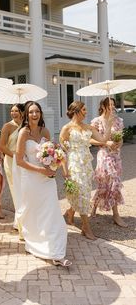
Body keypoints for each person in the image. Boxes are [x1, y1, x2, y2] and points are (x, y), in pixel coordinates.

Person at [14, 101, 71, 266]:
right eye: (31, 112)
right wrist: (40, 170)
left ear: (40, 114)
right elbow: (19, 161)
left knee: (51, 211)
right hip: (31, 178)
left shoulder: (45, 131)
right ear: (26, 115)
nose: (34, 114)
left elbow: (52, 152)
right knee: (35, 212)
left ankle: (55, 250)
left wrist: (53, 164)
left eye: (37, 111)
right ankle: (35, 242)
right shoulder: (23, 133)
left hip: (47, 179)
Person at [59, 101, 114, 240]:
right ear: (76, 111)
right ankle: (86, 227)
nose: (86, 112)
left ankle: (70, 213)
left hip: (86, 165)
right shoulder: (67, 128)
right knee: (81, 193)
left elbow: (103, 139)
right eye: (83, 109)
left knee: (83, 193)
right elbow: (62, 152)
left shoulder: (88, 127)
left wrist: (109, 124)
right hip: (74, 164)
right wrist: (64, 169)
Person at [90, 97, 127, 227]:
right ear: (103, 106)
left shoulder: (118, 120)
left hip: (116, 156)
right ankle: (95, 207)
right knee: (104, 183)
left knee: (114, 183)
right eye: (109, 105)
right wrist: (106, 142)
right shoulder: (96, 122)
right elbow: (90, 140)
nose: (112, 107)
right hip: (104, 155)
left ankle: (115, 215)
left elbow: (121, 138)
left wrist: (118, 144)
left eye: (113, 105)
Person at [0, 104, 24, 231]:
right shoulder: (7, 126)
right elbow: (2, 146)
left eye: (16, 111)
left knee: (24, 189)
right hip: (11, 160)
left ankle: (23, 219)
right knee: (16, 190)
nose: (13, 113)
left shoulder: (26, 125)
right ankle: (19, 221)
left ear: (21, 112)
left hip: (24, 161)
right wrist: (15, 156)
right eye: (12, 111)